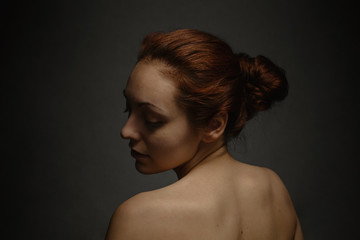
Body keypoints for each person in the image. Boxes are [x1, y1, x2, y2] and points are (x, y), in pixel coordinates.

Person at [106, 29, 303, 240]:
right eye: (129, 108)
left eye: (152, 120)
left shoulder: (139, 218)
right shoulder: (274, 189)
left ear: (214, 125)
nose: (126, 131)